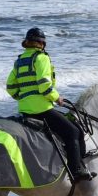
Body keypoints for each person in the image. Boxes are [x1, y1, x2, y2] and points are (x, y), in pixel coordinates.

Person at [5, 28, 93, 181]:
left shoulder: (19, 61)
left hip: (25, 110)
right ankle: (76, 171)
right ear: (42, 43)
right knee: (73, 131)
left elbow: (11, 88)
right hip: (42, 110)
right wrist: (57, 98)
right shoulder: (41, 58)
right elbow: (44, 86)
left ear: (27, 43)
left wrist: (25, 98)